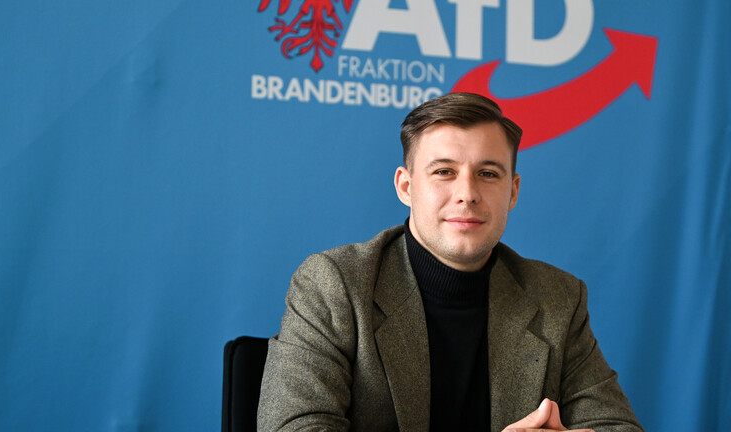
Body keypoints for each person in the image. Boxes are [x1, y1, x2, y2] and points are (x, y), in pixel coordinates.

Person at [257, 93, 643, 431]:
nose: (467, 194)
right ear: (406, 187)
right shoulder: (335, 284)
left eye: (488, 174)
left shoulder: (557, 297)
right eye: (444, 172)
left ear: (513, 191)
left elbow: (615, 426)